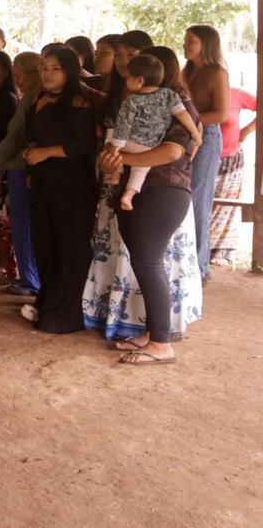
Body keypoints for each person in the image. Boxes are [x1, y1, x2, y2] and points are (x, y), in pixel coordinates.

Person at [84, 45, 203, 354]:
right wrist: (114, 160)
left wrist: (121, 159)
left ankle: (162, 344)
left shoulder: (180, 104)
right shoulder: (140, 102)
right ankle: (152, 334)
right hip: (139, 190)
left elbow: (173, 151)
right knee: (143, 262)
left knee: (149, 263)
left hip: (163, 191)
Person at [23, 45, 98, 334]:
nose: (47, 73)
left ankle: (66, 313)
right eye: (44, 67)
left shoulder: (80, 102)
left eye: (55, 68)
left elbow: (83, 145)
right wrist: (32, 161)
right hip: (44, 182)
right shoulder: (40, 100)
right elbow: (32, 139)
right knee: (45, 243)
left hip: (73, 185)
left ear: (69, 71)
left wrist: (47, 152)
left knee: (69, 246)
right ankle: (47, 301)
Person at [0, 51, 42, 296]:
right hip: (17, 166)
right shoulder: (30, 97)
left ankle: (30, 281)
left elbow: (16, 136)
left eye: (21, 77)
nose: (19, 82)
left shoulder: (31, 99)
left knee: (22, 225)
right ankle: (29, 278)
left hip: (21, 167)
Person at [107, 54, 199, 211]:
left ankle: (116, 174)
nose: (125, 81)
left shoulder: (132, 100)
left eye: (128, 77)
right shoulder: (170, 95)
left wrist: (115, 150)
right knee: (141, 170)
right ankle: (128, 195)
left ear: (140, 80)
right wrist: (195, 133)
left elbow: (123, 124)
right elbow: (183, 114)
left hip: (129, 142)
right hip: (150, 147)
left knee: (111, 133)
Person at [182, 24, 229, 279]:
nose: (186, 44)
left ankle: (200, 268)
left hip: (207, 138)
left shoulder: (217, 73)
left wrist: (191, 123)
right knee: (181, 199)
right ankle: (184, 262)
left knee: (198, 200)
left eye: (192, 41)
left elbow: (221, 114)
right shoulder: (186, 70)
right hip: (185, 137)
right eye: (186, 40)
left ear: (206, 45)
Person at [210, 85, 256, 265]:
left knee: (225, 206)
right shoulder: (193, 91)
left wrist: (246, 130)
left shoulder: (235, 93)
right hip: (201, 157)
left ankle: (219, 251)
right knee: (199, 202)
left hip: (230, 157)